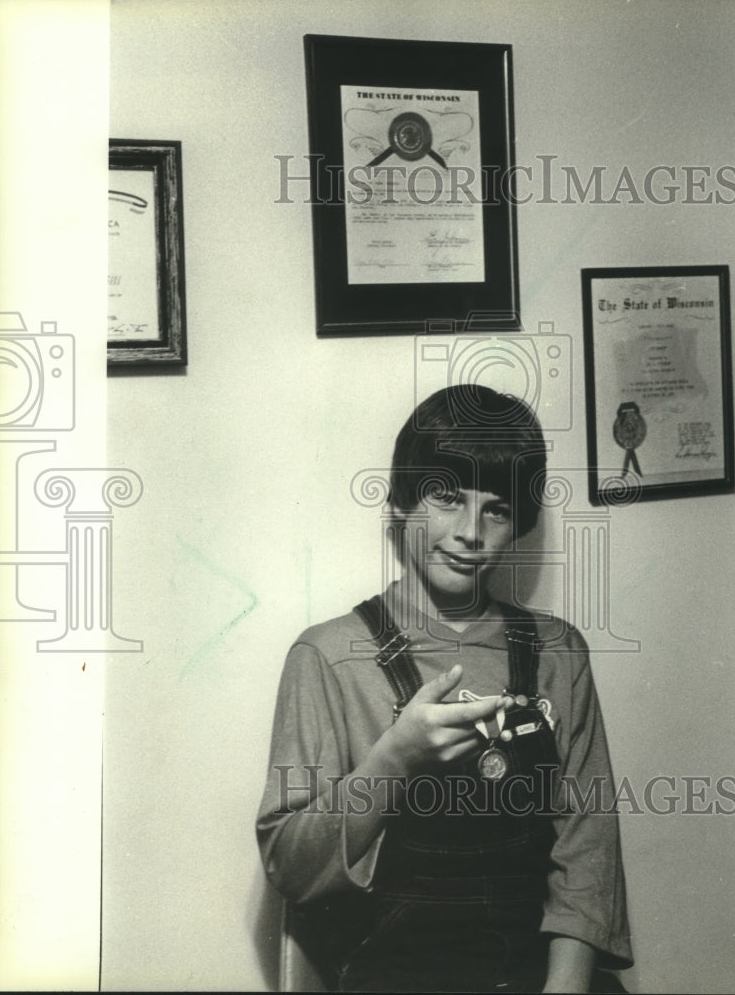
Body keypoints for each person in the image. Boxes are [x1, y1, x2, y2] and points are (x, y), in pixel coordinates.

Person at [257, 384, 633, 993]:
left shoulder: (559, 653)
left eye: (497, 509)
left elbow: (588, 855)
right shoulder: (326, 658)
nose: (470, 532)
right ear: (401, 503)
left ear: (519, 524)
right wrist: (396, 754)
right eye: (446, 497)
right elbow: (290, 867)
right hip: (396, 970)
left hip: (542, 974)